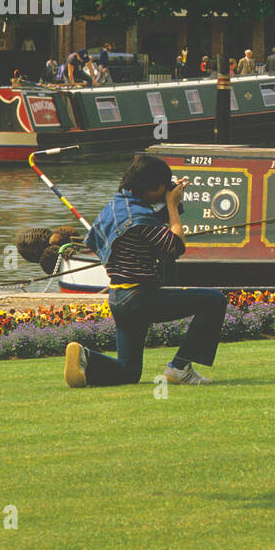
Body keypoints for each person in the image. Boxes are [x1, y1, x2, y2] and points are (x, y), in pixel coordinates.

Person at [66, 154, 227, 388]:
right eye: (164, 185)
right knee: (214, 300)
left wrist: (168, 202)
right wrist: (172, 205)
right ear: (152, 186)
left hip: (118, 298)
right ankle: (179, 367)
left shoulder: (113, 209)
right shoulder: (140, 218)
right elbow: (176, 246)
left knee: (128, 372)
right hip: (141, 298)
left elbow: (141, 230)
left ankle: (84, 358)